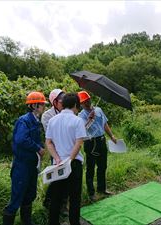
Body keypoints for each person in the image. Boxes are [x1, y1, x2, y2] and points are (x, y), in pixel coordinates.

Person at [3, 91, 47, 225]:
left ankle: (26, 221)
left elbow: (36, 138)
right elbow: (21, 139)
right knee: (17, 196)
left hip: (32, 164)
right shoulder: (24, 120)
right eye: (42, 104)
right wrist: (38, 148)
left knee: (29, 195)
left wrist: (40, 146)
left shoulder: (36, 120)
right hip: (22, 165)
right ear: (34, 106)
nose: (44, 107)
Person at [45, 93, 86, 225]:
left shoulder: (52, 120)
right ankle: (74, 222)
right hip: (73, 164)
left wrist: (57, 158)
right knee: (74, 198)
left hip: (58, 164)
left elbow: (49, 142)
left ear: (62, 104)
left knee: (56, 196)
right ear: (75, 105)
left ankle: (53, 222)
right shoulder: (77, 120)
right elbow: (79, 143)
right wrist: (70, 160)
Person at [77, 91, 117, 202]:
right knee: (90, 168)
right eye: (84, 102)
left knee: (102, 166)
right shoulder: (81, 116)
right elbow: (82, 130)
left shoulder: (98, 110)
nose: (87, 103)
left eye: (88, 100)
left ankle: (102, 189)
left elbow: (105, 124)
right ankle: (91, 193)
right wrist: (89, 119)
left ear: (90, 99)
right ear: (81, 104)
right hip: (90, 143)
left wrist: (112, 136)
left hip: (101, 140)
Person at [41, 88, 69, 217]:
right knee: (58, 178)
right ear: (54, 102)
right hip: (56, 151)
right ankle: (50, 202)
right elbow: (51, 134)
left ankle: (62, 204)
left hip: (68, 149)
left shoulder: (68, 112)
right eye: (61, 99)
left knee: (66, 178)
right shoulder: (47, 115)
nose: (64, 101)